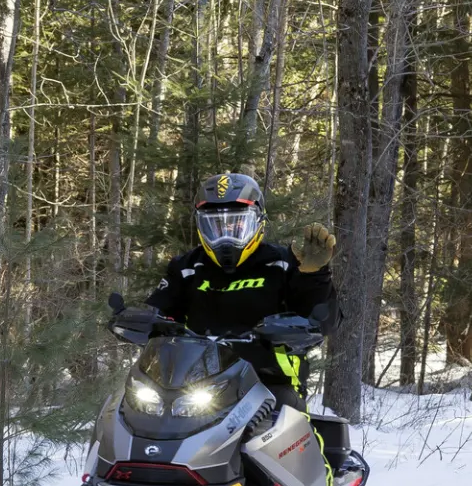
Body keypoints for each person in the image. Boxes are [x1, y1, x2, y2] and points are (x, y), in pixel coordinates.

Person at [144, 171, 335, 409]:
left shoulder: (283, 263)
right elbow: (158, 313)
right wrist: (143, 320)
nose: (226, 235)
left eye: (236, 224)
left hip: (269, 381)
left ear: (257, 222)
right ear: (201, 226)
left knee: (284, 435)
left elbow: (322, 319)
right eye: (215, 226)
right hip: (192, 385)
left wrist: (314, 276)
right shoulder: (187, 267)